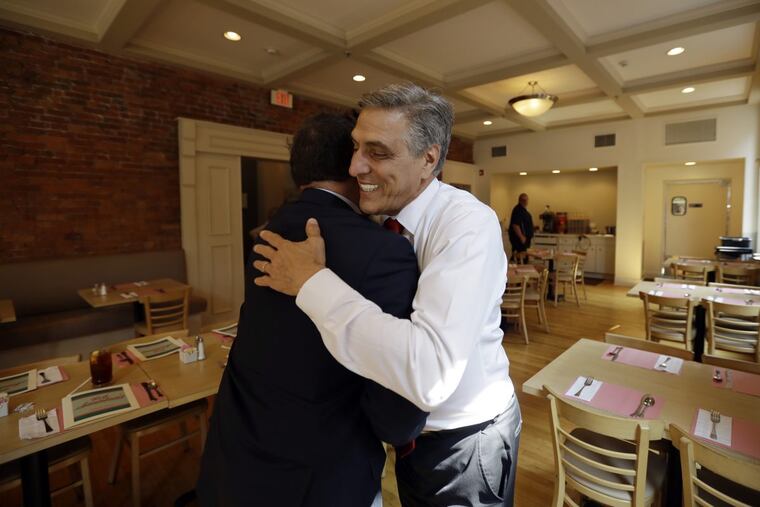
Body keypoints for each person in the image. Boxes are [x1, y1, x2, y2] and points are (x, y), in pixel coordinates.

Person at [253, 83, 521, 507]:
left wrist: (311, 282)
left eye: (377, 153)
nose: (356, 166)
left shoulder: (467, 224)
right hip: (408, 438)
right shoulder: (380, 220)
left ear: (428, 159)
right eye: (356, 148)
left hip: (466, 442)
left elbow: (429, 373)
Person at [196, 113, 427, 507]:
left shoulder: (269, 232)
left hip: (236, 455)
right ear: (355, 166)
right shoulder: (383, 252)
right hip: (321, 475)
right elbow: (396, 414)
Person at [509, 193, 533, 262]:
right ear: (520, 200)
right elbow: (515, 225)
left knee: (524, 258)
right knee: (520, 258)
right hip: (520, 240)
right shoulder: (518, 210)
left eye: (526, 200)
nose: (525, 202)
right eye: (523, 200)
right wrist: (521, 237)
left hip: (524, 239)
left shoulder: (523, 210)